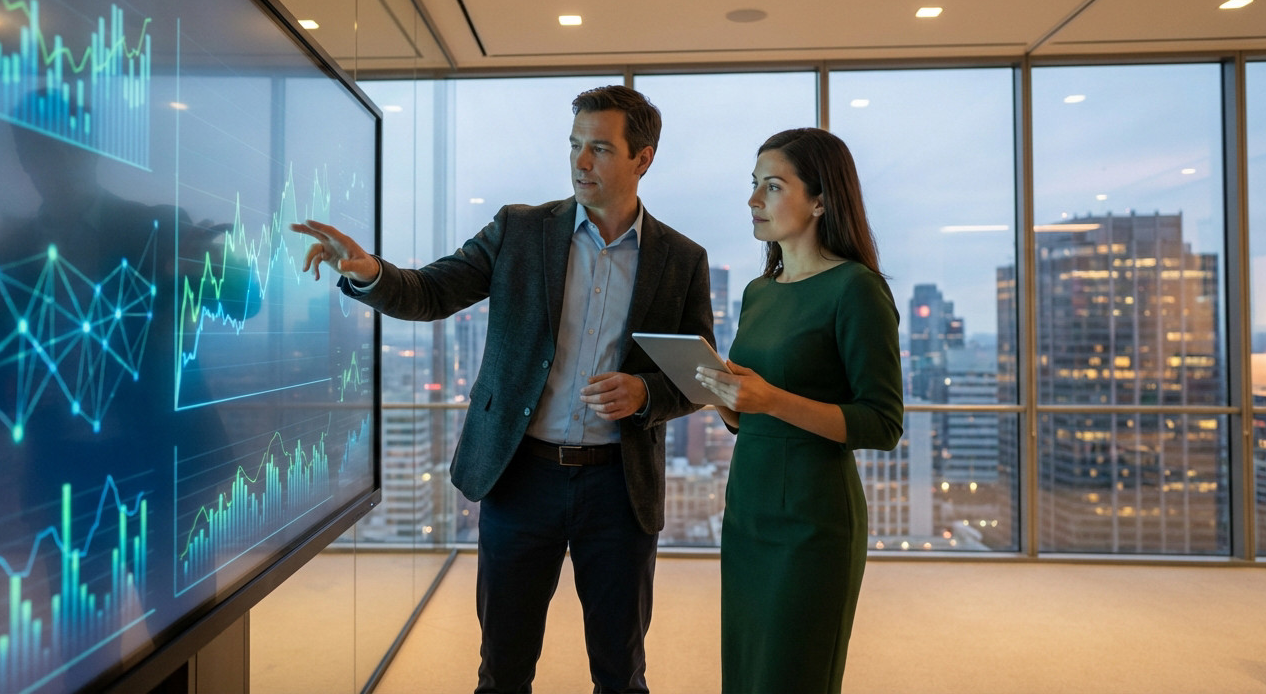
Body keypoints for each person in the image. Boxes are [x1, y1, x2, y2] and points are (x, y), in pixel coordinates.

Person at [290, 85, 714, 693]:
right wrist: (372, 273)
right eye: (574, 146)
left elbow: (694, 376)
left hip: (618, 487)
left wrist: (646, 394)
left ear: (642, 159)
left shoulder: (681, 258)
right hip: (521, 478)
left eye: (599, 148)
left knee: (621, 672)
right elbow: (434, 290)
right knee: (503, 669)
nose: (580, 162)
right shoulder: (521, 230)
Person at [695, 127, 903, 693]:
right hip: (748, 507)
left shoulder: (856, 289)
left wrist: (771, 399)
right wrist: (727, 399)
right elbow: (750, 410)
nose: (753, 200)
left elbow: (882, 424)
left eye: (772, 186)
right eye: (753, 186)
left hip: (813, 519)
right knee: (745, 673)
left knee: (793, 676)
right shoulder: (760, 292)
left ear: (820, 199)